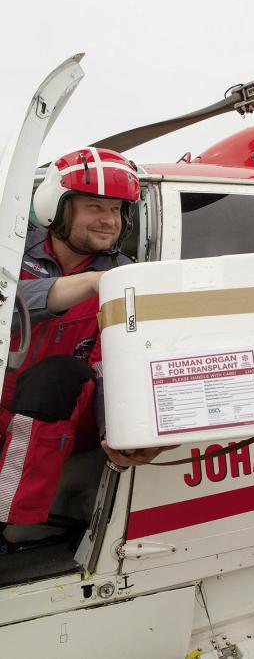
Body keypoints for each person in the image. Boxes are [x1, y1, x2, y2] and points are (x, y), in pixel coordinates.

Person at [0, 147, 162, 528]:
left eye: (117, 210)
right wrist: (85, 284)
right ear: (57, 209)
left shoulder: (126, 277)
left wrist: (119, 435)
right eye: (95, 208)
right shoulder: (12, 249)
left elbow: (115, 364)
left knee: (58, 374)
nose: (110, 221)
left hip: (68, 413)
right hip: (6, 396)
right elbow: (7, 306)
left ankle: (9, 520)